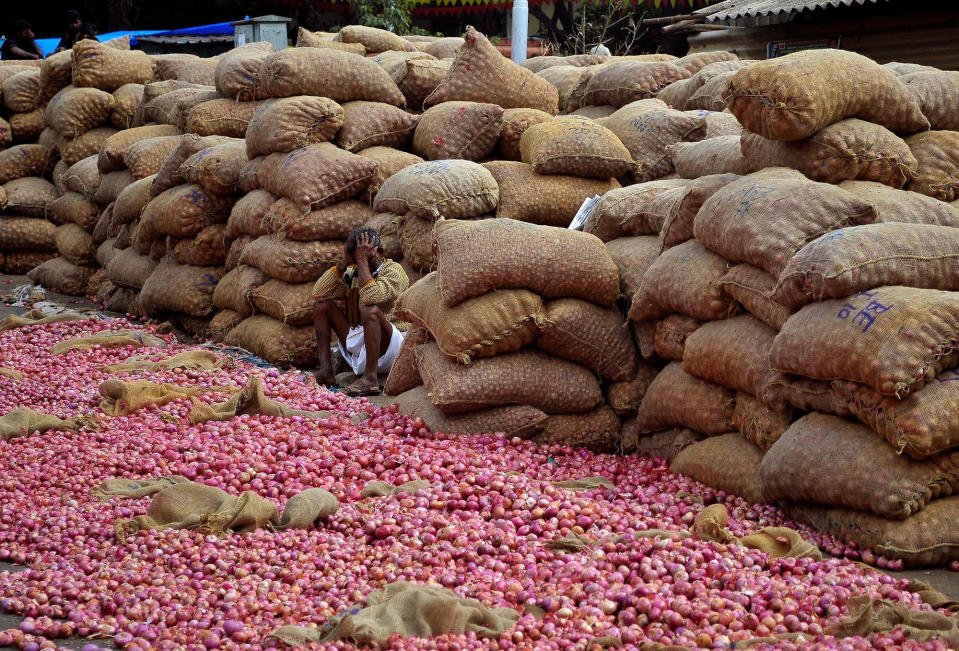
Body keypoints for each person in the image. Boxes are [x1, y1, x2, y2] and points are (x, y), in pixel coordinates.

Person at [312, 227, 409, 397]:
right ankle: (326, 370)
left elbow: (371, 297)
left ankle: (370, 378)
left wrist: (363, 262)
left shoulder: (394, 271)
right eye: (357, 256)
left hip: (391, 345)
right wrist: (343, 264)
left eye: (365, 255)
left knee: (369, 310)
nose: (360, 261)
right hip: (363, 339)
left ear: (380, 252)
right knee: (322, 306)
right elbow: (319, 293)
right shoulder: (353, 272)